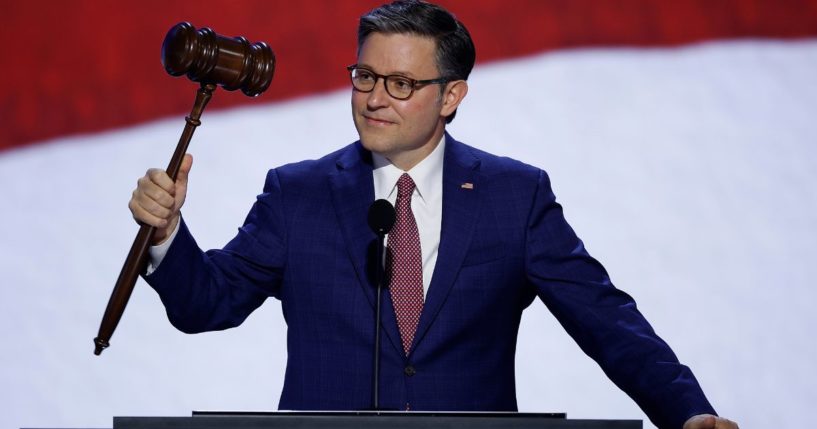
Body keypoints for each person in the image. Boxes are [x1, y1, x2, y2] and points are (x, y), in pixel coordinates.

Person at [129, 2, 738, 428]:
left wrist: (687, 413)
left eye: (399, 83)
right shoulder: (299, 194)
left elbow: (607, 321)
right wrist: (165, 234)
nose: (372, 98)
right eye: (364, 75)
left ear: (451, 96)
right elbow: (204, 304)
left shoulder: (514, 196)